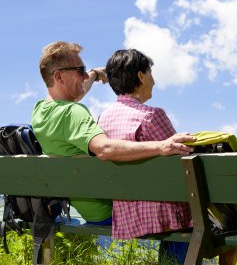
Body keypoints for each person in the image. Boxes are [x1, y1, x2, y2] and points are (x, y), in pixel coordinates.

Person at [98, 49, 237, 265]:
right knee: (229, 201)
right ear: (141, 76)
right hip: (160, 213)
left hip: (124, 212)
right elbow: (182, 159)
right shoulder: (151, 115)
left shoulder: (103, 118)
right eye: (151, 73)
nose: (154, 80)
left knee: (223, 195)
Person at [32, 41, 195, 229]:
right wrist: (161, 146)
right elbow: (104, 149)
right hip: (108, 209)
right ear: (59, 76)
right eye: (80, 70)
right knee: (176, 205)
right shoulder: (73, 113)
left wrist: (93, 75)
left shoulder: (41, 110)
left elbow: (71, 94)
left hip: (85, 206)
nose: (84, 75)